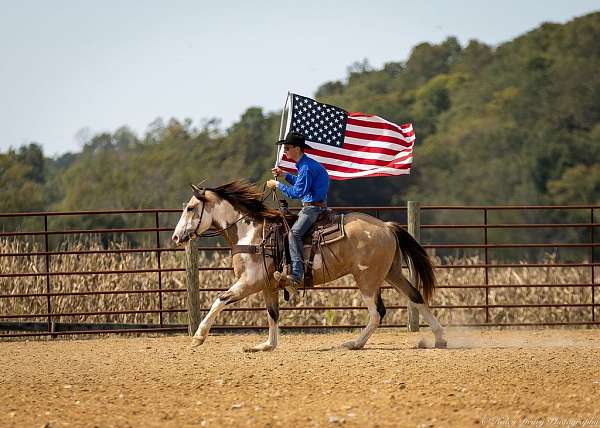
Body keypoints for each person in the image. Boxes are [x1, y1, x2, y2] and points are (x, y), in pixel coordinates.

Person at [266, 131, 330, 295]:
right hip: (313, 205)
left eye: (287, 148)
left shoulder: (306, 167)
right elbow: (302, 184)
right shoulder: (305, 165)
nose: (285, 151)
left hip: (312, 208)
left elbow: (297, 192)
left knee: (293, 234)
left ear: (298, 148)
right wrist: (284, 175)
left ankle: (296, 275)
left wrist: (277, 185)